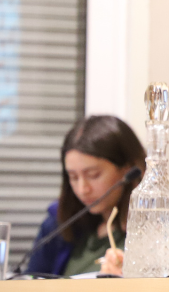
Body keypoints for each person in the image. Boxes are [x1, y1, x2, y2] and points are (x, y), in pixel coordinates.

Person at [26, 116, 145, 276]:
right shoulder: (58, 223)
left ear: (128, 170)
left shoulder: (153, 230)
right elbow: (31, 281)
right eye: (73, 177)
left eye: (93, 175)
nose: (83, 189)